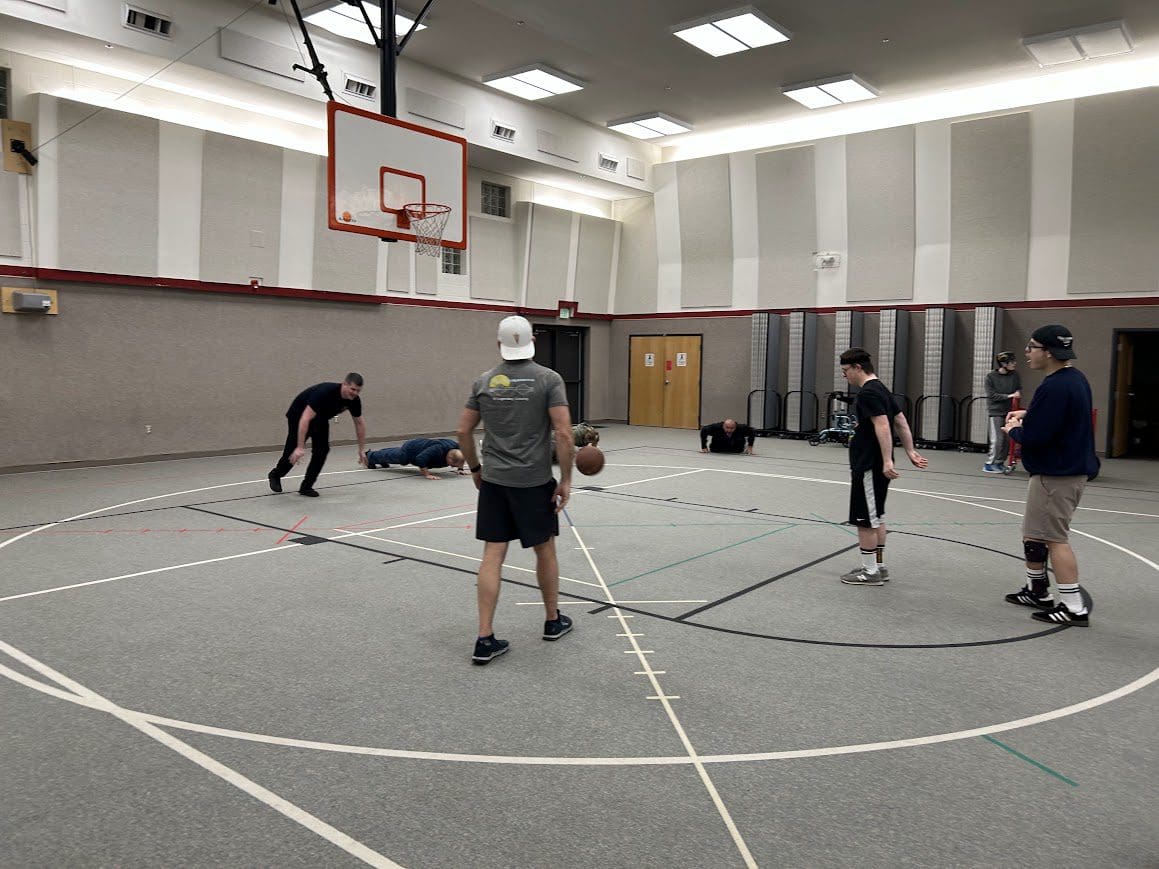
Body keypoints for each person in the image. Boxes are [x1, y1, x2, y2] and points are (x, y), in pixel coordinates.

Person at [457, 315, 576, 665]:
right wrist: (566, 480)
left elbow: (463, 431)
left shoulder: (483, 382)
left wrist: (476, 468)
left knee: (493, 555)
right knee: (545, 550)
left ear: (499, 345)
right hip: (533, 482)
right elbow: (565, 433)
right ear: (533, 340)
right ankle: (553, 620)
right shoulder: (549, 379)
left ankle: (484, 638)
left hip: (495, 481)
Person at [1002, 325, 1100, 627]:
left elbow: (1038, 437)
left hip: (1057, 475)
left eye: (1032, 347)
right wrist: (1029, 413)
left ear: (1048, 352)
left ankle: (1073, 607)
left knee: (1055, 540)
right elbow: (1059, 416)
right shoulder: (1073, 380)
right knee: (1033, 534)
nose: (1027, 353)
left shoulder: (1055, 386)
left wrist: (1013, 430)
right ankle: (1038, 590)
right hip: (1059, 471)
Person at [837, 348, 928, 586]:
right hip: (875, 463)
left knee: (864, 519)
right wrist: (910, 450)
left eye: (846, 371)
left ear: (858, 367)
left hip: (869, 464)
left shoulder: (868, 393)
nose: (845, 376)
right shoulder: (881, 388)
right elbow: (900, 421)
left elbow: (884, 425)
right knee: (877, 516)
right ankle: (879, 565)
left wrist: (887, 459)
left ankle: (870, 572)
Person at [268, 374, 366, 498]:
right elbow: (305, 418)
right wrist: (300, 447)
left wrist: (361, 449)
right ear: (344, 384)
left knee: (322, 450)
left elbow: (359, 423)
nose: (355, 393)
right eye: (352, 389)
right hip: (299, 415)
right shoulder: (325, 392)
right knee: (292, 451)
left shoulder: (354, 400)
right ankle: (276, 474)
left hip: (320, 418)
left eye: (358, 391)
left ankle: (306, 487)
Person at [983, 351, 1021, 474]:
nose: (1014, 363)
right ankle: (990, 463)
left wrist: (1016, 395)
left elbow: (1018, 389)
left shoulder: (1014, 375)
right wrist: (1010, 396)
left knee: (1007, 439)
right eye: (1012, 361)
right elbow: (992, 396)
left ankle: (1000, 462)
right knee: (997, 439)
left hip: (1010, 411)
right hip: (996, 411)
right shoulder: (990, 377)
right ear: (1004, 363)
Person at [365, 438, 465, 479]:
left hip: (419, 447)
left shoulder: (458, 448)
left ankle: (380, 459)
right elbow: (420, 459)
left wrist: (460, 469)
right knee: (397, 457)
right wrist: (427, 475)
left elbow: (464, 456)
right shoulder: (438, 449)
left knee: (391, 455)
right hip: (411, 450)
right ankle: (369, 456)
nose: (452, 467)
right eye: (452, 465)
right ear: (450, 457)